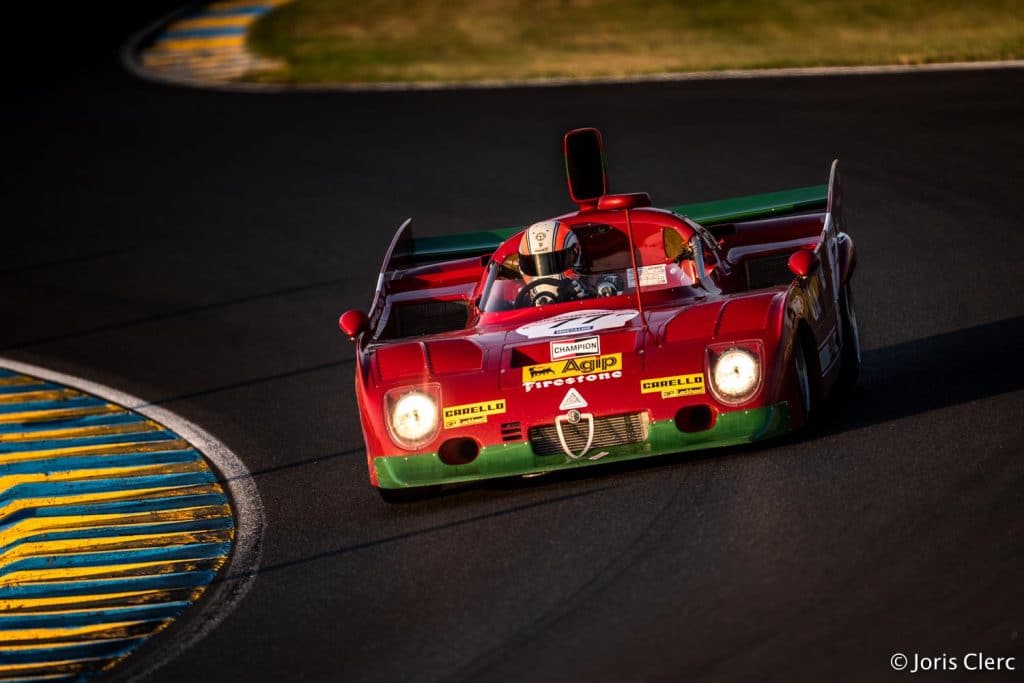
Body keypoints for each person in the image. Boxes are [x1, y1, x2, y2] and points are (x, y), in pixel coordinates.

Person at [516, 220, 623, 306]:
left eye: (556, 261)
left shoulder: (599, 290)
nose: (545, 272)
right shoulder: (517, 305)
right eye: (533, 265)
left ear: (576, 253)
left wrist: (586, 298)